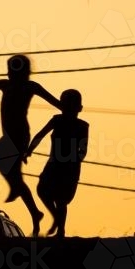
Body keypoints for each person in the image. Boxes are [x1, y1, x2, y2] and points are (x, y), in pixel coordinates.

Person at [0, 55, 60, 236]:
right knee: (16, 177)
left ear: (23, 72)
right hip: (10, 136)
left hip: (19, 136)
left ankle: (23, 197)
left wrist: (69, 107)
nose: (9, 73)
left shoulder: (30, 86)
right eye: (9, 70)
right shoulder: (5, 84)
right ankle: (35, 213)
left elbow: (54, 102)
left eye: (13, 70)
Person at [25, 89, 89, 237]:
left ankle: (61, 230)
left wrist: (74, 161)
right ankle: (56, 219)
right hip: (54, 165)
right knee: (43, 189)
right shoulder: (57, 120)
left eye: (71, 106)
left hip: (70, 167)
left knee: (62, 200)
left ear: (79, 109)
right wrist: (29, 150)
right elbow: (40, 135)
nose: (68, 110)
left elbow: (83, 149)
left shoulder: (82, 126)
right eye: (66, 106)